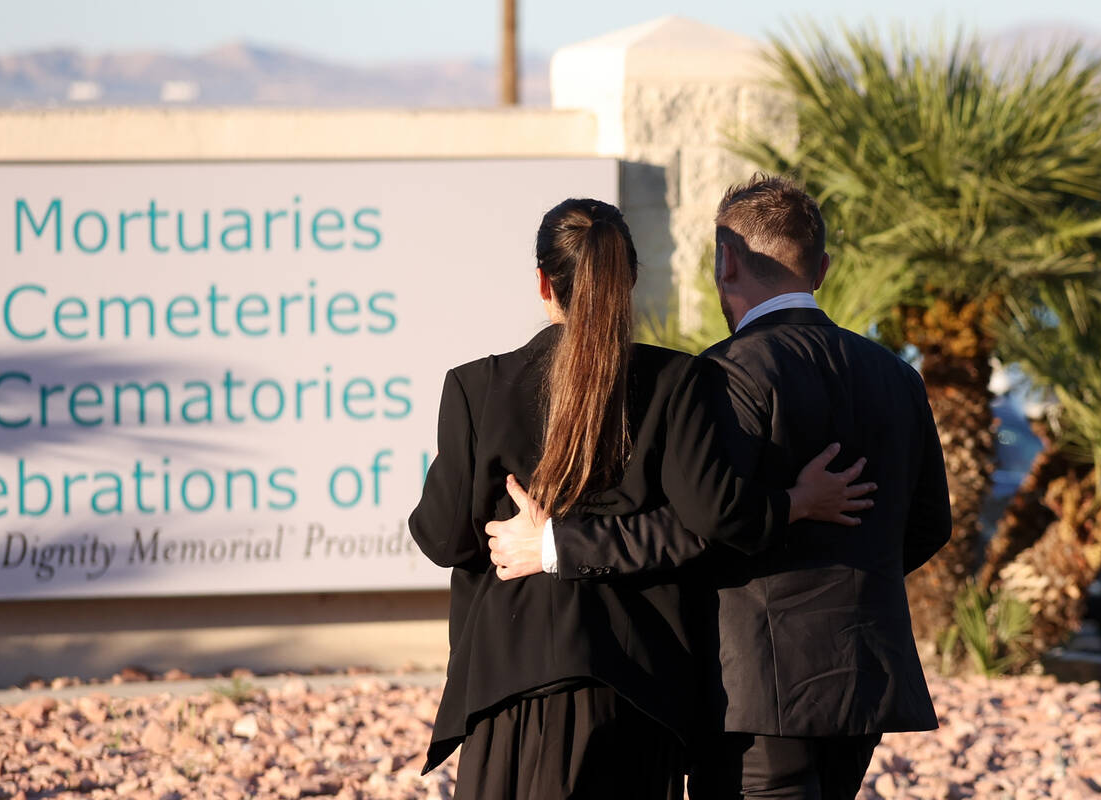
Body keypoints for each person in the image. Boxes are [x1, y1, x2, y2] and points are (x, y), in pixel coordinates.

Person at [486, 177, 953, 800]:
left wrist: (555, 547)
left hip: (757, 689)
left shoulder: (724, 373)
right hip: (867, 681)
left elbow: (699, 523)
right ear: (821, 269)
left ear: (725, 261)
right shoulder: (897, 376)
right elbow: (929, 524)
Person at [407, 197, 874, 800]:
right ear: (627, 279)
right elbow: (707, 522)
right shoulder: (681, 380)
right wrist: (792, 502)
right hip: (642, 686)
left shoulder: (476, 386)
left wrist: (531, 539)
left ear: (544, 282)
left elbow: (443, 537)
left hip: (511, 679)